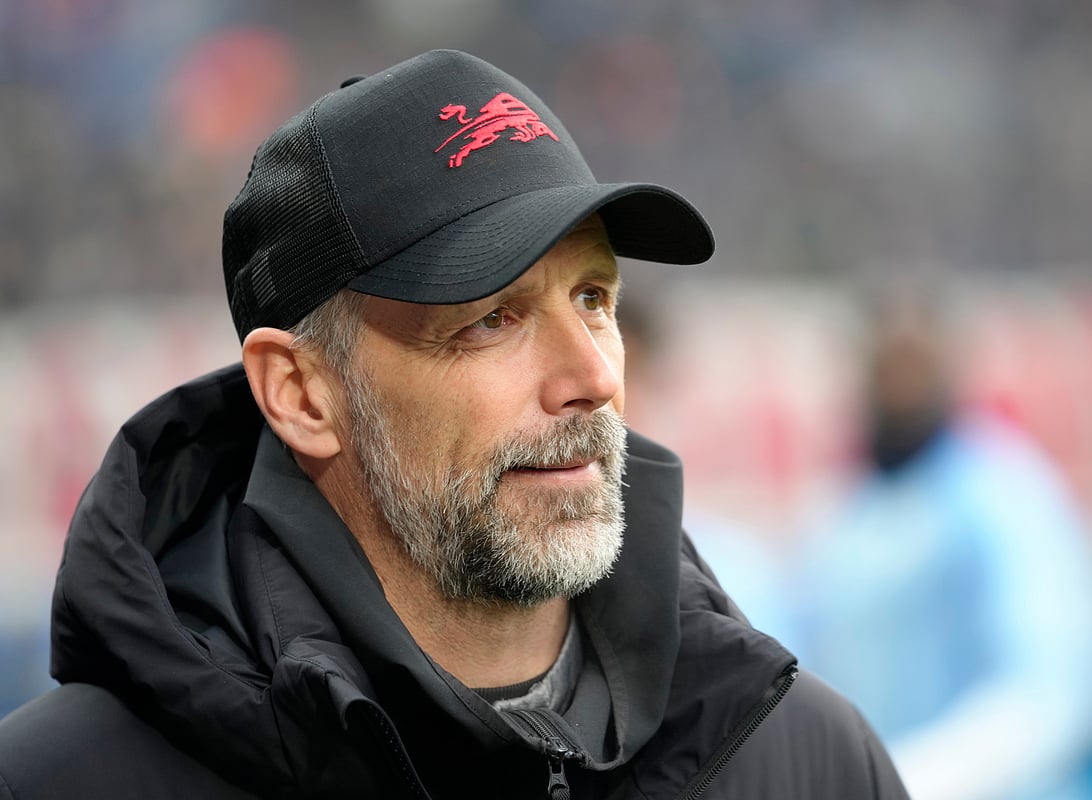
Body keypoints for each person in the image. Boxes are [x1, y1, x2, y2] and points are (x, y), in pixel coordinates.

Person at [0, 50, 908, 799]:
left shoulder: (806, 760)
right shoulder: (66, 781)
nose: (592, 377)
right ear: (302, 395)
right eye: (492, 318)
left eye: (595, 299)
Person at [783, 302, 1092, 800]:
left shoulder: (1003, 489)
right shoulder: (843, 509)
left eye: (913, 367)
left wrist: (911, 780)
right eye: (886, 368)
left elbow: (1050, 693)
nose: (898, 386)